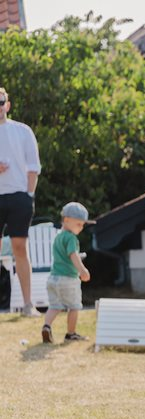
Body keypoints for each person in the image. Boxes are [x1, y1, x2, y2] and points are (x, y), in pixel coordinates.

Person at [0, 86, 42, 317]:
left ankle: (28, 305)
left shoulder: (23, 131)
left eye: (0, 101)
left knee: (20, 250)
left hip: (19, 198)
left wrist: (29, 196)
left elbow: (33, 167)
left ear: (7, 104)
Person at [41, 202, 93, 343]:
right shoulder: (71, 238)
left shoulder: (58, 237)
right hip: (68, 279)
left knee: (54, 306)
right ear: (66, 220)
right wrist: (82, 270)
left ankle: (46, 326)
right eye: (78, 224)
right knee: (74, 306)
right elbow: (73, 255)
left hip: (53, 279)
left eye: (82, 225)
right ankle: (71, 333)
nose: (81, 228)